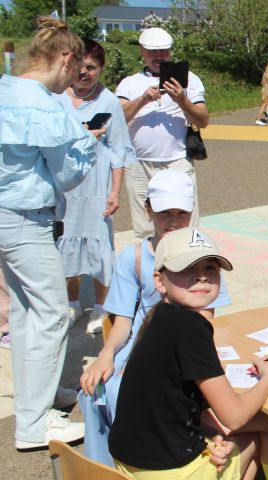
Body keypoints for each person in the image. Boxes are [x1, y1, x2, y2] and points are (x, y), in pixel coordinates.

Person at [108, 227, 268, 479]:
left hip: (129, 462)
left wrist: (210, 436)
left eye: (210, 269)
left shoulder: (158, 318)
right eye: (187, 269)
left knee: (235, 441)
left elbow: (176, 405)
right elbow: (235, 417)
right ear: (159, 281)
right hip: (167, 471)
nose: (201, 277)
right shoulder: (192, 327)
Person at [78, 169, 231, 466]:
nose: (173, 220)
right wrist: (106, 353)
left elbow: (207, 318)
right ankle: (103, 467)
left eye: (181, 212)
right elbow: (122, 322)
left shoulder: (202, 254)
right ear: (148, 210)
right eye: (164, 212)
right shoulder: (133, 256)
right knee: (96, 391)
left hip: (180, 347)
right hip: (139, 342)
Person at [0, 16, 97, 450]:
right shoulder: (41, 103)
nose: (72, 82)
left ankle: (30, 416)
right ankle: (36, 423)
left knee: (26, 316)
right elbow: (66, 176)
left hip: (6, 216)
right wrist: (88, 144)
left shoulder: (5, 89)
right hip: (27, 219)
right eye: (73, 73)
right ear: (64, 58)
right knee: (54, 315)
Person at [56, 39, 136, 334]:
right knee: (65, 244)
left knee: (100, 246)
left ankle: (102, 308)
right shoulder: (55, 97)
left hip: (97, 186)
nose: (84, 72)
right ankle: (73, 302)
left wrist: (115, 191)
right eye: (80, 66)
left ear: (101, 69)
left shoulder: (109, 101)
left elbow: (119, 150)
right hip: (64, 187)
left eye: (91, 67)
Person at [117, 27, 209, 239]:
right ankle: (150, 269)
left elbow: (203, 120)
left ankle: (184, 268)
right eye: (152, 51)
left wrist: (182, 99)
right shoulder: (129, 83)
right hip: (138, 163)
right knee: (144, 227)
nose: (158, 56)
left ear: (170, 51)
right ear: (142, 51)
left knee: (185, 223)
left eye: (163, 51)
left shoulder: (189, 79)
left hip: (177, 161)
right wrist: (142, 99)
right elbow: (117, 118)